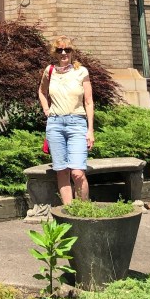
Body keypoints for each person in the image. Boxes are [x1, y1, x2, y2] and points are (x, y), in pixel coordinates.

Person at [38, 35, 94, 205]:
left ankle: (83, 211)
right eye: (59, 50)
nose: (63, 53)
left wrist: (90, 130)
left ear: (72, 52)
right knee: (62, 171)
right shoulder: (49, 71)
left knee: (77, 173)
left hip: (77, 124)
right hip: (55, 125)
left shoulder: (81, 71)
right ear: (55, 52)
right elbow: (41, 92)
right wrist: (46, 109)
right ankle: (68, 212)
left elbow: (89, 101)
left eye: (67, 49)